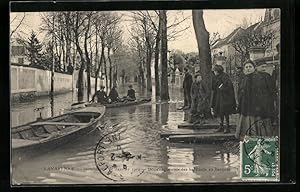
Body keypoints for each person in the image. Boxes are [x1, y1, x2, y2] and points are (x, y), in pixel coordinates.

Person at [235, 60, 276, 141]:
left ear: (254, 68)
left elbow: (263, 93)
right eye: (246, 67)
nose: (248, 69)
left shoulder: (259, 78)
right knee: (246, 127)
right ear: (244, 69)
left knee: (258, 129)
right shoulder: (243, 79)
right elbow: (240, 92)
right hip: (245, 108)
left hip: (257, 108)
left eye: (250, 67)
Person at [211, 65, 236, 133]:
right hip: (219, 97)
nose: (214, 72)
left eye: (215, 71)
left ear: (218, 71)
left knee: (225, 113)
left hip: (225, 98)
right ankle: (221, 126)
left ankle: (227, 127)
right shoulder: (217, 77)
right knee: (220, 112)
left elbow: (228, 86)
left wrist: (221, 87)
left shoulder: (225, 76)